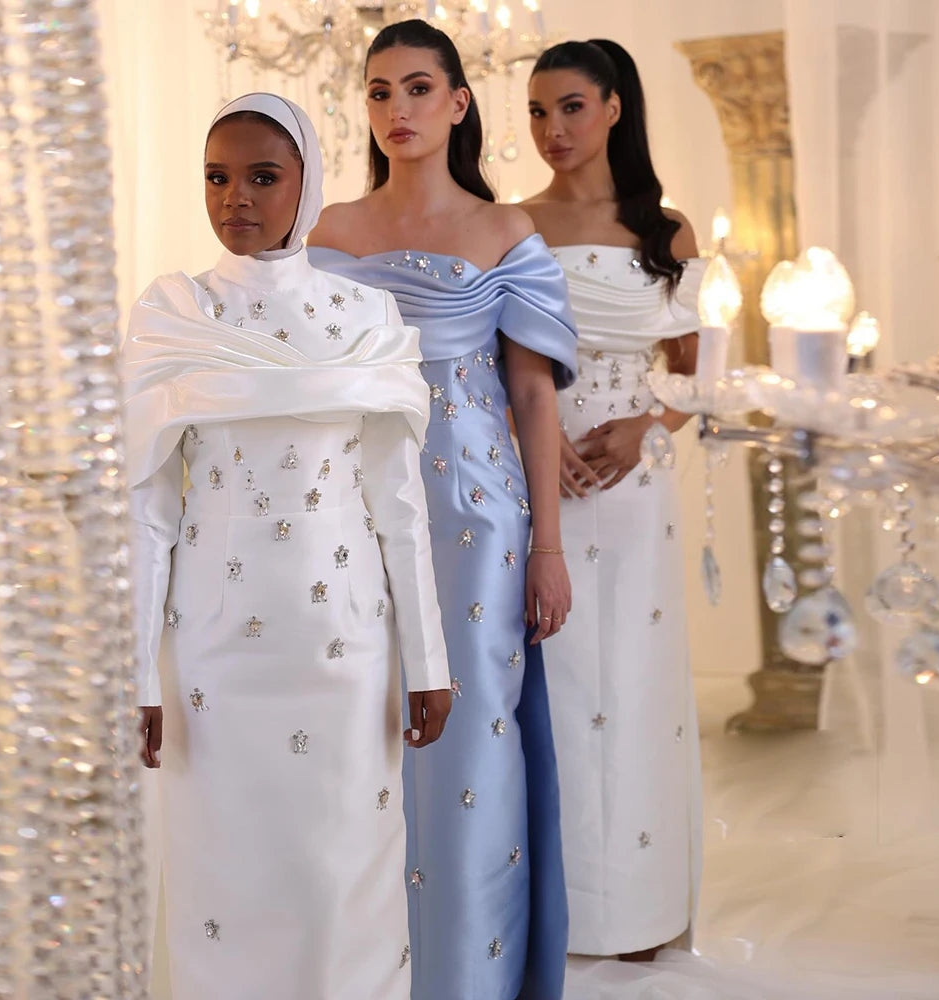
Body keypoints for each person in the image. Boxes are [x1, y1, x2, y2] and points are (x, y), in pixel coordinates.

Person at [122, 92, 451, 1000]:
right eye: (217, 177)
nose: (236, 197)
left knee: (343, 868)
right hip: (214, 652)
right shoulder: (173, 315)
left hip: (345, 646)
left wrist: (429, 659)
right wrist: (134, 671)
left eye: (263, 177)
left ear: (308, 184)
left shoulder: (367, 318)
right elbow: (148, 512)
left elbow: (399, 506)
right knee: (224, 872)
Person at [308, 19, 577, 1000]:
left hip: (474, 518)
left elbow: (534, 395)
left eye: (417, 88)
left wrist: (548, 547)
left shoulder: (505, 234)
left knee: (468, 739)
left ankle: (468, 979)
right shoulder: (327, 232)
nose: (397, 109)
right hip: (345, 512)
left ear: (459, 103)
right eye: (379, 91)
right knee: (357, 731)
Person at [521, 39, 704, 962]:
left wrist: (645, 428)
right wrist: (536, 439)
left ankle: (638, 912)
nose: (553, 129)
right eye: (537, 112)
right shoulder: (513, 223)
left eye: (571, 107)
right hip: (538, 480)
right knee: (556, 688)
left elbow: (698, 377)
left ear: (613, 107)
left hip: (635, 490)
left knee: (635, 684)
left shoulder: (666, 230)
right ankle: (561, 915)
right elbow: (490, 363)